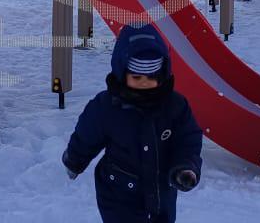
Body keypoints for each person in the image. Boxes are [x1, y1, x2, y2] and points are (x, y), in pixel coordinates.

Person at [62, 24, 203, 223]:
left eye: (151, 77)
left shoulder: (174, 106)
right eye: (136, 77)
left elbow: (188, 139)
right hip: (119, 194)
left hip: (161, 194)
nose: (144, 82)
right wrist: (75, 160)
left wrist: (186, 166)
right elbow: (87, 133)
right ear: (122, 73)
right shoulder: (108, 106)